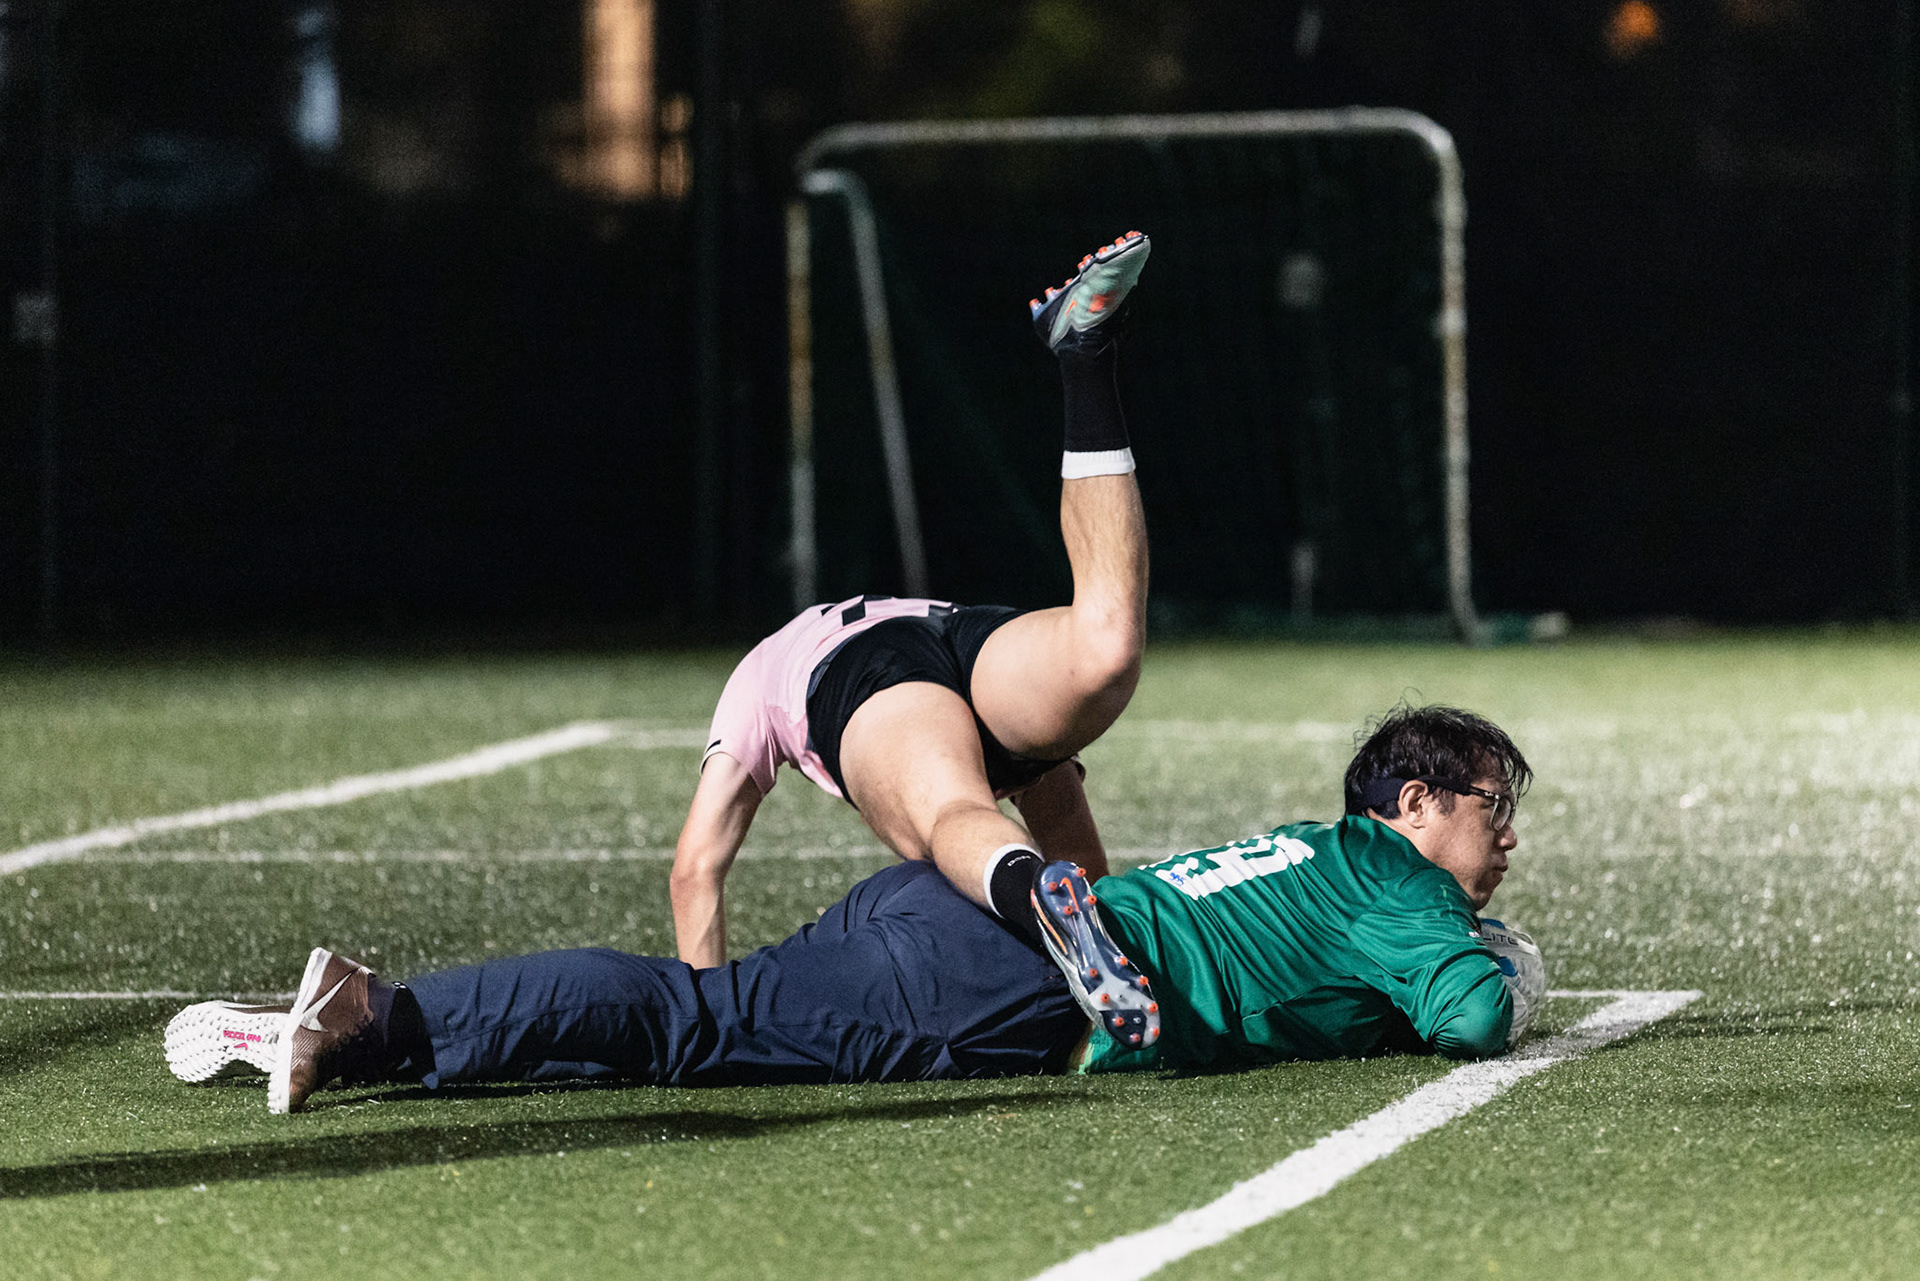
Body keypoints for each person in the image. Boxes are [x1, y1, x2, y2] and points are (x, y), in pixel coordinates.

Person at [162, 704, 1546, 1114]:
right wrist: (1505, 975)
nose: (1504, 844)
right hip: (1016, 985)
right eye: (1494, 810)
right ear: (1417, 802)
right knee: (689, 1023)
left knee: (695, 1030)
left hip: (952, 918)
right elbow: (1470, 1017)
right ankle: (371, 1016)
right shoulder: (1396, 880)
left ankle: (373, 1025)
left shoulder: (1315, 848)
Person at [673, 231, 1158, 1046]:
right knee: (1106, 647)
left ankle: (1044, 902)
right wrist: (1109, 933)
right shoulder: (801, 649)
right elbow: (1055, 791)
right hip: (957, 629)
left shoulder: (761, 672)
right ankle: (1084, 353)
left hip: (863, 673)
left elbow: (697, 867)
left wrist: (709, 1019)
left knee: (950, 815)